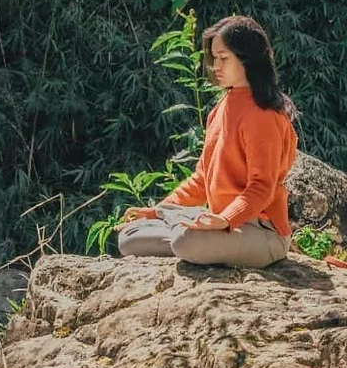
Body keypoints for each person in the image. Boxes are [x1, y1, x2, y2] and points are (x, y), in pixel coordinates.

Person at [116, 15, 298, 269]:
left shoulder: (263, 116)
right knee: (130, 237)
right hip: (218, 225)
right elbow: (202, 179)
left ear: (247, 60)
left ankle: (190, 237)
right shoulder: (221, 108)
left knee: (185, 241)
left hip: (263, 232)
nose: (215, 66)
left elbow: (261, 187)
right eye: (213, 58)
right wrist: (158, 210)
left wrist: (225, 219)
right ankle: (186, 232)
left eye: (224, 58)